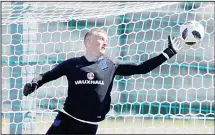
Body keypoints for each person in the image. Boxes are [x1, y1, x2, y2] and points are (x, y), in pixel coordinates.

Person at [23, 29, 182, 134]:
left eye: (107, 40)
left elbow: (141, 68)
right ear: (89, 41)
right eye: (101, 39)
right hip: (66, 119)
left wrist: (168, 53)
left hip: (88, 125)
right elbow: (46, 76)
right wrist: (33, 84)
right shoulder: (71, 64)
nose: (106, 42)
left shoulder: (109, 64)